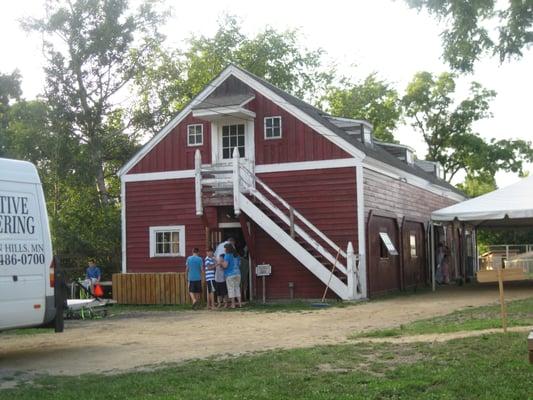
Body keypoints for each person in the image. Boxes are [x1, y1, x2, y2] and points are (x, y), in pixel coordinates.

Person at [221, 243, 242, 308]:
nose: (224, 249)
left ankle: (233, 304)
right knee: (237, 288)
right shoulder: (237, 255)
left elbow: (225, 266)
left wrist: (221, 262)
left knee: (231, 289)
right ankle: (240, 304)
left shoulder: (227, 255)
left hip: (230, 274)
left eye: (224, 248)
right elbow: (239, 264)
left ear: (227, 249)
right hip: (238, 273)